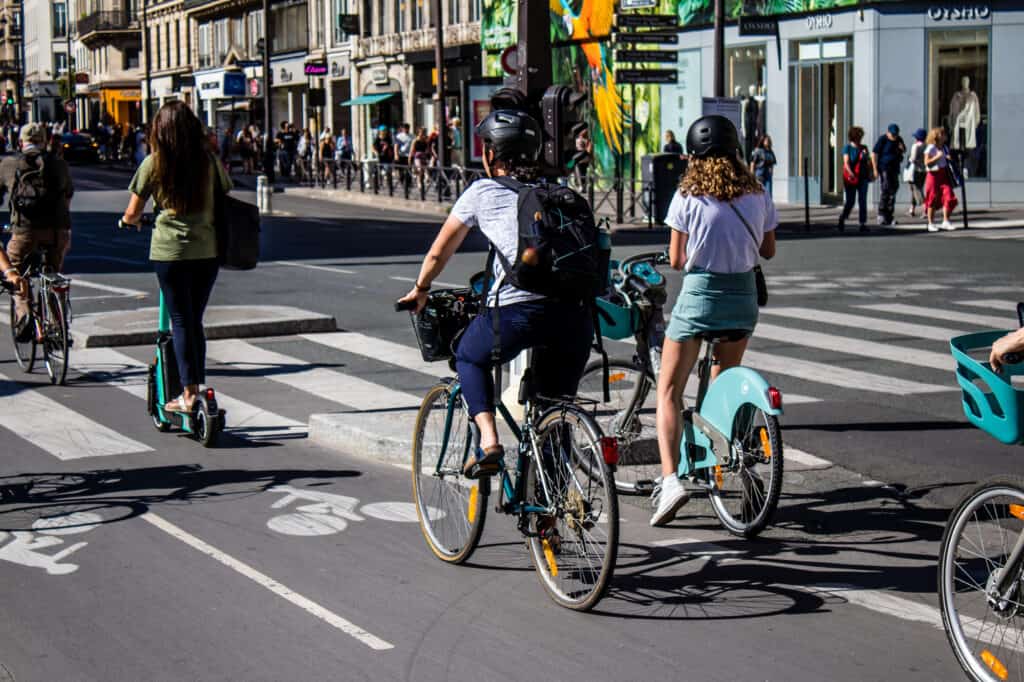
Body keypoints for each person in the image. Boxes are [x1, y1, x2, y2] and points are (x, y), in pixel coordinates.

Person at [396, 110, 594, 477]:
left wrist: (421, 288)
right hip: (577, 314)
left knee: (469, 356)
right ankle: (553, 518)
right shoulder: (558, 192)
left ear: (491, 153)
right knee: (555, 409)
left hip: (520, 312)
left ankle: (489, 443)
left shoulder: (482, 192)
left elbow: (439, 251)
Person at [652, 115, 777, 526]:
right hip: (742, 300)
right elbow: (768, 250)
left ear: (692, 155)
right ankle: (737, 460)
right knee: (725, 386)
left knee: (669, 388)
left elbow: (675, 259)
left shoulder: (687, 196)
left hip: (701, 298)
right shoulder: (757, 193)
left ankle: (671, 481)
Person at [119, 101, 231, 413]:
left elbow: (132, 212)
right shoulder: (208, 161)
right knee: (195, 320)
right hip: (207, 251)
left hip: (170, 252)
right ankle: (198, 386)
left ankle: (189, 394)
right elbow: (226, 192)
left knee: (180, 320)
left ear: (159, 131)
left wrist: (130, 222)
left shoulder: (154, 163)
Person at [0, 123, 74, 341]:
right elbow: (68, 195)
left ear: (20, 142)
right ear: (45, 141)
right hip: (57, 230)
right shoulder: (59, 164)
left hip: (25, 230)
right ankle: (57, 321)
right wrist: (64, 228)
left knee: (15, 269)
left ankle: (27, 318)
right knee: (53, 272)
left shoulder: (9, 164)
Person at [923, 127, 959, 232]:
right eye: (942, 134)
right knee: (932, 198)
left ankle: (946, 221)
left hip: (943, 174)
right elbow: (926, 162)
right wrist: (937, 157)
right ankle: (930, 223)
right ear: (937, 136)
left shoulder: (944, 147)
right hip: (933, 175)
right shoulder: (931, 148)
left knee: (949, 196)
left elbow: (946, 158)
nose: (945, 136)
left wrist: (948, 158)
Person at [839, 125, 872, 233]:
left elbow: (868, 162)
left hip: (863, 177)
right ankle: (843, 218)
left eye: (861, 137)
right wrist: (851, 173)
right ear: (854, 137)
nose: (860, 139)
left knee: (862, 200)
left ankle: (862, 223)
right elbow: (846, 163)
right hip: (851, 178)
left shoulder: (864, 148)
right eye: (859, 136)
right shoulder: (847, 148)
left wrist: (870, 172)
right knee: (851, 201)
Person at [871, 123, 906, 226]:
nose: (894, 136)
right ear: (888, 132)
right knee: (886, 189)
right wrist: (875, 169)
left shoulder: (899, 139)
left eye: (896, 134)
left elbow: (903, 150)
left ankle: (889, 216)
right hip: (884, 167)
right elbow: (874, 153)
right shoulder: (883, 139)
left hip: (894, 168)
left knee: (894, 190)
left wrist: (902, 147)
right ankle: (881, 215)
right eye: (893, 134)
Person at [905, 128, 927, 220]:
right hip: (923, 170)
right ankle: (912, 209)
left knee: (916, 190)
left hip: (915, 170)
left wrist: (909, 158)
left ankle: (925, 209)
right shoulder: (926, 146)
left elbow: (912, 159)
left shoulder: (915, 146)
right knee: (916, 189)